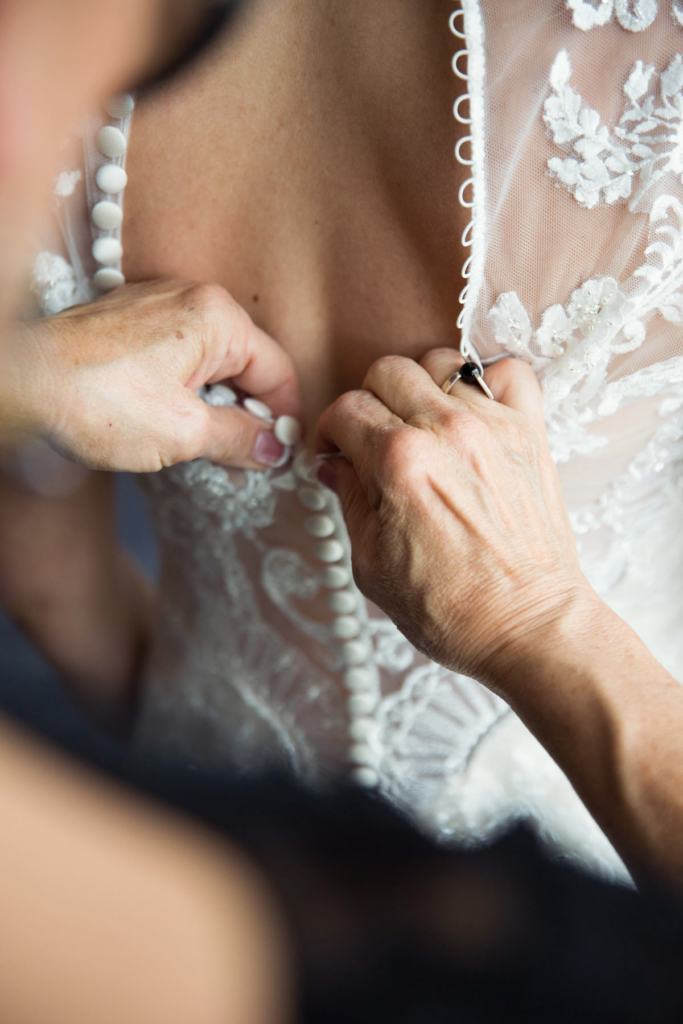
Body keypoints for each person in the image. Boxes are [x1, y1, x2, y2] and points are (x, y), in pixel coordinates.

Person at [6, 0, 683, 884]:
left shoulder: (40, 41)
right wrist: (547, 622)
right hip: (596, 849)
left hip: (211, 838)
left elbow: (49, 580)